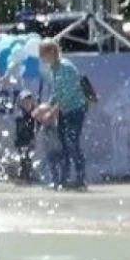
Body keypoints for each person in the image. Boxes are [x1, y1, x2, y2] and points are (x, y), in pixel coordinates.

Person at [39, 39, 88, 190]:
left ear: (52, 52)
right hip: (65, 111)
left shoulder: (65, 67)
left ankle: (80, 180)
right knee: (63, 146)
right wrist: (46, 106)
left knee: (72, 144)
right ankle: (63, 179)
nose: (42, 57)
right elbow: (56, 92)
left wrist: (52, 111)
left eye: (43, 54)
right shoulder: (54, 68)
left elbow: (66, 95)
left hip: (75, 110)